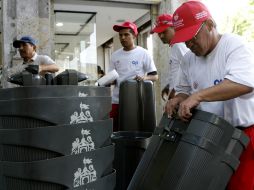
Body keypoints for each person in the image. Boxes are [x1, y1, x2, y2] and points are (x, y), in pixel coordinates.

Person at [166, 1, 254, 190]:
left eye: (192, 37)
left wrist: (198, 97)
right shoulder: (188, 59)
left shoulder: (233, 45)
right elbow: (184, 90)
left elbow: (243, 83)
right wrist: (178, 99)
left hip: (241, 136)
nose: (189, 44)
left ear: (210, 25)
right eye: (184, 40)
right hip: (208, 134)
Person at [109, 21, 158, 131]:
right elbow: (111, 77)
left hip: (135, 100)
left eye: (126, 34)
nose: (123, 38)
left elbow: (155, 76)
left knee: (132, 131)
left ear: (134, 36)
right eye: (120, 35)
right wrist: (107, 80)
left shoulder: (143, 53)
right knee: (114, 130)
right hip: (116, 100)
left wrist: (144, 78)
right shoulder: (115, 55)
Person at [151, 14, 189, 101]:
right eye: (159, 33)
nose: (161, 36)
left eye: (164, 32)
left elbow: (191, 71)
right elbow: (179, 72)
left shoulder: (178, 46)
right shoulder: (175, 46)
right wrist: (169, 86)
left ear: (174, 28)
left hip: (182, 97)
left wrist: (175, 90)